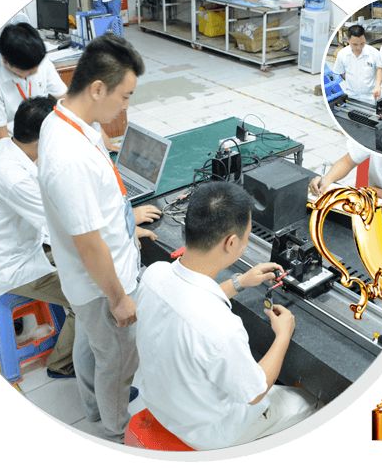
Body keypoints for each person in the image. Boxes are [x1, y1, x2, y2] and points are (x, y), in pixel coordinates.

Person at [135, 181, 322, 451]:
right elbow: (255, 391)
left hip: (161, 404)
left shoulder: (155, 274)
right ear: (231, 242)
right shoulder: (222, 328)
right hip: (208, 433)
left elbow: (187, 302)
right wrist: (283, 335)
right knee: (313, 401)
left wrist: (240, 281)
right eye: (247, 235)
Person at [37, 33, 155, 444]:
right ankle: (116, 428)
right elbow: (89, 245)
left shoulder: (66, 120)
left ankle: (94, 407)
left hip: (89, 283)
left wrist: (126, 222)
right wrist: (119, 298)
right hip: (103, 285)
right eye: (125, 96)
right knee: (118, 361)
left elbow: (93, 212)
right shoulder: (69, 158)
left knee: (91, 346)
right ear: (98, 88)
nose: (125, 107)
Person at [0, 96, 76, 378]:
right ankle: (61, 365)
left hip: (15, 245)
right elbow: (65, 225)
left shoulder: (4, 147)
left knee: (79, 262)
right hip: (14, 266)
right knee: (87, 299)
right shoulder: (14, 177)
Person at [0, 23, 68, 176]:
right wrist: (39, 165)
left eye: (37, 66)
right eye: (28, 71)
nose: (35, 72)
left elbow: (67, 99)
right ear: (6, 62)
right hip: (5, 156)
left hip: (36, 145)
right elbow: (1, 139)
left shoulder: (37, 61)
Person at [331, 24, 380, 104]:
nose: (358, 47)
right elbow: (340, 72)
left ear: (365, 38)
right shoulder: (342, 54)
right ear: (348, 40)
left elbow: (380, 71)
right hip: (351, 97)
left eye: (362, 43)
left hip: (371, 98)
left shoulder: (374, 53)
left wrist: (377, 85)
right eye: (355, 44)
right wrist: (352, 80)